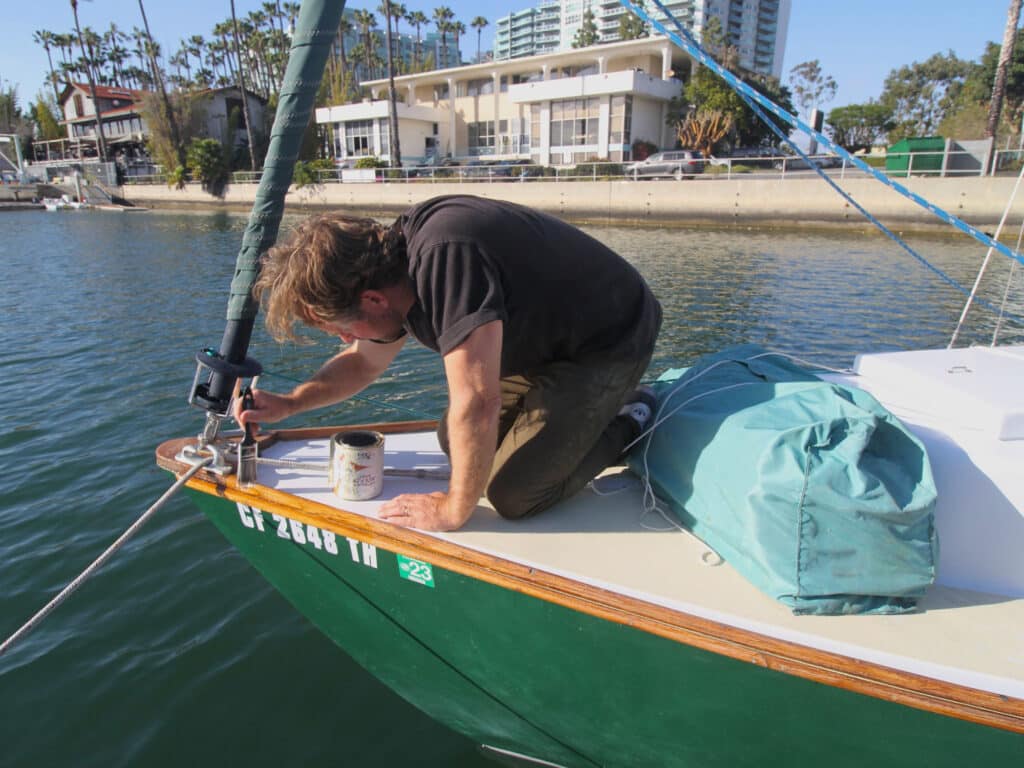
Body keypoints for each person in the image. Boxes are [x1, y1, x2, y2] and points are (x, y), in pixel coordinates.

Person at [234, 195, 661, 531]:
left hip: (608, 339)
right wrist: (289, 404)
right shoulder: (393, 270)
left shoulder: (447, 258)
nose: (346, 340)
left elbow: (477, 401)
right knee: (450, 438)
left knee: (512, 494)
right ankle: (585, 414)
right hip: (547, 343)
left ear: (373, 300)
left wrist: (453, 509)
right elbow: (363, 364)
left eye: (343, 329)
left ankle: (631, 414)